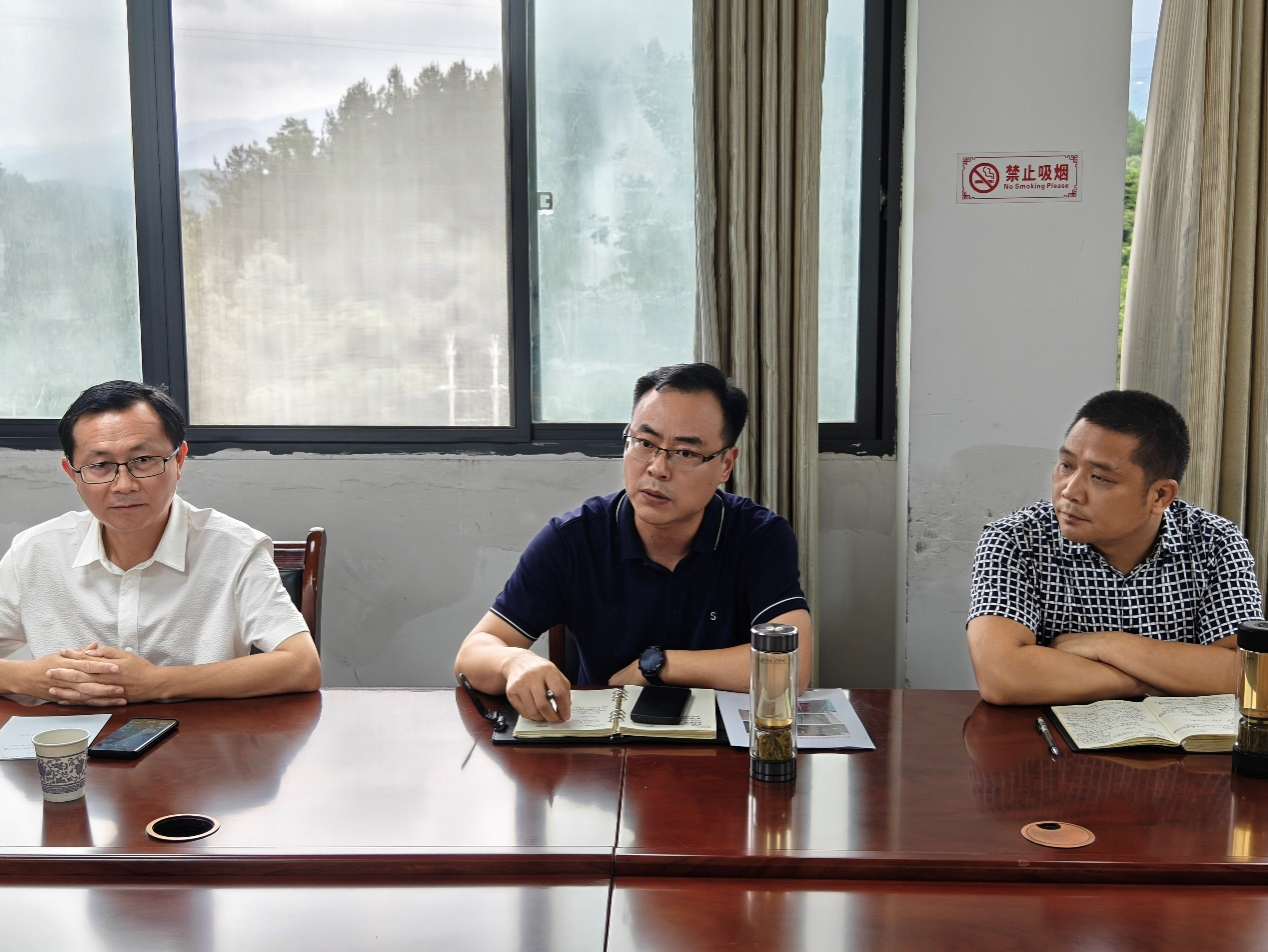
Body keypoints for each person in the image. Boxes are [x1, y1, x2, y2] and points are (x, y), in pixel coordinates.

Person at [455, 362, 813, 722]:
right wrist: (514, 661)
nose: (657, 468)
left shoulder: (759, 536)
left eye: (686, 452)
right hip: (603, 743)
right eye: (645, 443)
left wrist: (659, 665)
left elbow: (791, 668)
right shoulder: (572, 539)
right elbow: (472, 656)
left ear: (725, 465)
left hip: (722, 743)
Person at [0, 380, 322, 706]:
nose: (123, 485)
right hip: (70, 736)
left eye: (143, 460)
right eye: (100, 466)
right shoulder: (34, 552)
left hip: (199, 735)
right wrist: (30, 678)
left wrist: (156, 683)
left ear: (179, 460)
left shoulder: (234, 549)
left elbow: (301, 665)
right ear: (73, 474)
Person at [967, 389, 1263, 706]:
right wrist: (1157, 680)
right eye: (1066, 465)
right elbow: (1002, 676)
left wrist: (1107, 645)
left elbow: (1251, 675)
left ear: (1160, 496)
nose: (1070, 491)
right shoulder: (1015, 539)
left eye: (1100, 478)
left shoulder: (1215, 541)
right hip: (1047, 736)